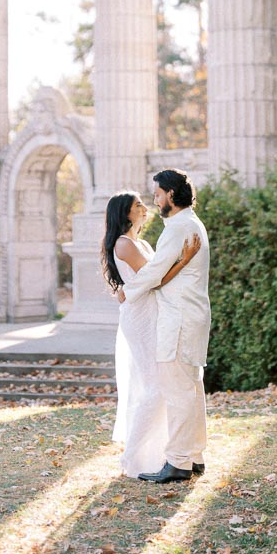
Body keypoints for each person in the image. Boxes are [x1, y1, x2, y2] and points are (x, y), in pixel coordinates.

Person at [119, 168, 211, 484]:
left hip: (180, 320)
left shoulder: (179, 227)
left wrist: (126, 291)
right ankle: (194, 456)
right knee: (191, 386)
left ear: (171, 194)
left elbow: (156, 271)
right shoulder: (188, 224)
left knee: (178, 390)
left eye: (157, 194)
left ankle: (178, 462)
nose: (155, 201)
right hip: (190, 317)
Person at [101, 191, 201, 478]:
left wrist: (181, 261)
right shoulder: (124, 244)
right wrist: (185, 260)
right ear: (125, 213)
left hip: (153, 313)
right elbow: (154, 280)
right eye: (137, 205)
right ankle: (132, 455)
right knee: (155, 387)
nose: (145, 207)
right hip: (140, 318)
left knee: (160, 385)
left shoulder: (140, 243)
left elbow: (157, 275)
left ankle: (162, 453)